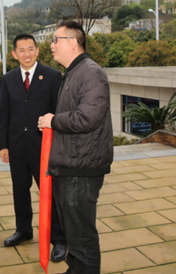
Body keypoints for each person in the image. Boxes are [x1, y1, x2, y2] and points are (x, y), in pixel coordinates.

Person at [38, 21, 113, 274]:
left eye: (55, 40)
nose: (51, 45)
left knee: (81, 235)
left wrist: (53, 121)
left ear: (72, 42)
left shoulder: (90, 73)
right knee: (72, 232)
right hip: (69, 165)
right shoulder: (72, 73)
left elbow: (88, 118)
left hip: (81, 169)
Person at [0, 34, 67, 261]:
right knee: (20, 190)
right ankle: (23, 230)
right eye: (21, 50)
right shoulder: (8, 79)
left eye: (30, 49)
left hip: (44, 147)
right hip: (17, 146)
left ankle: (58, 239)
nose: (26, 54)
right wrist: (3, 145)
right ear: (14, 54)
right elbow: (5, 113)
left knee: (49, 193)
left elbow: (59, 112)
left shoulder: (53, 76)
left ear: (37, 51)